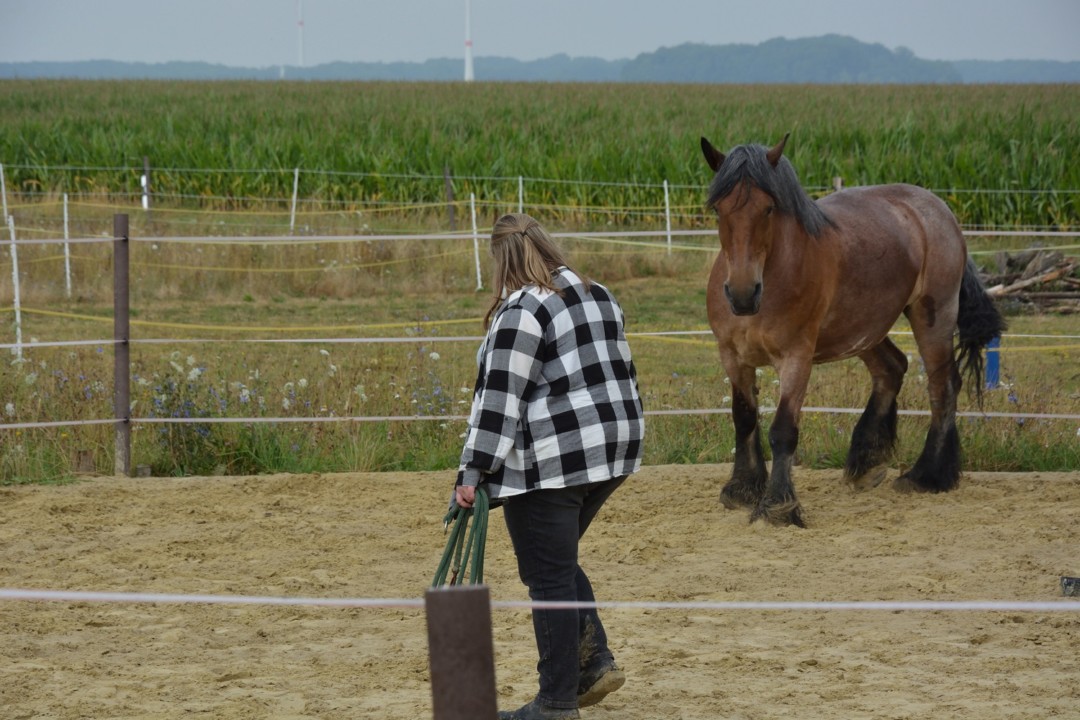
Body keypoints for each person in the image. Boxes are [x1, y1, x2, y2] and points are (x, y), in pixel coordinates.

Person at [453, 213, 645, 720]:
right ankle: (593, 663)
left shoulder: (522, 310)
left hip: (555, 460)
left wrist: (472, 470)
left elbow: (500, 399)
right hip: (613, 451)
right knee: (554, 562)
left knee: (548, 575)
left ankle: (555, 702)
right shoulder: (598, 294)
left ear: (501, 259)